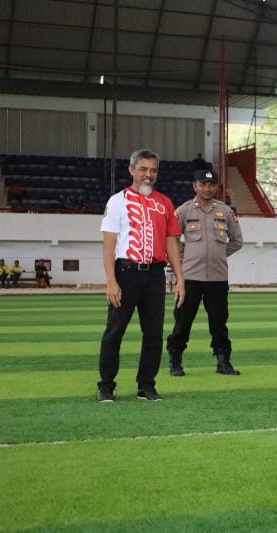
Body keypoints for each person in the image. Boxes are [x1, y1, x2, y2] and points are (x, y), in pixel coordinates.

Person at [97, 148, 185, 403]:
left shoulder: (165, 203)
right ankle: (106, 385)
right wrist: (111, 281)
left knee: (154, 334)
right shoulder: (117, 201)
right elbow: (108, 244)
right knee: (114, 333)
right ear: (132, 170)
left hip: (155, 276)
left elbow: (171, 244)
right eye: (143, 169)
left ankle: (146, 385)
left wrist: (180, 279)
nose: (148, 175)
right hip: (125, 273)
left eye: (153, 170)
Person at [166, 170, 243, 377]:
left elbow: (237, 241)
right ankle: (175, 360)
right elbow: (171, 239)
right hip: (189, 278)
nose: (207, 188)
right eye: (203, 184)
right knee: (183, 322)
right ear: (195, 186)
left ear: (217, 187)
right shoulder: (184, 211)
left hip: (218, 278)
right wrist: (187, 255)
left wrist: (218, 254)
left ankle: (223, 361)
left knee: (219, 323)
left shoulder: (226, 211)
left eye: (211, 184)